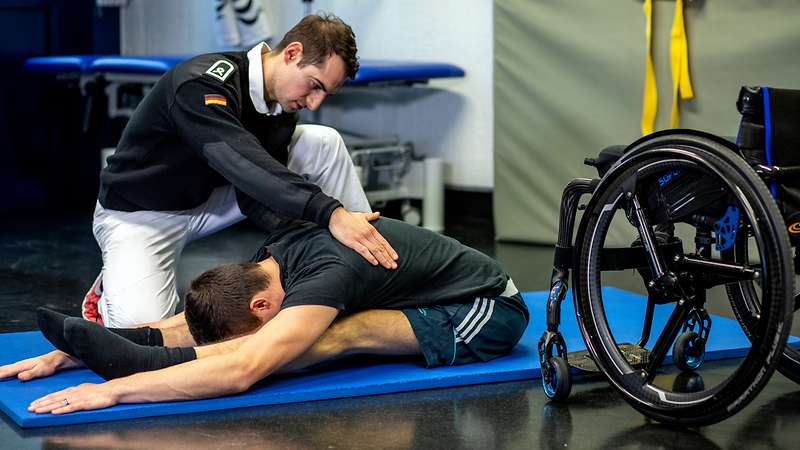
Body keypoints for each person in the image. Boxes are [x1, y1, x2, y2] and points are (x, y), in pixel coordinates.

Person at [2, 217, 529, 414]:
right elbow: (206, 319)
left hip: (486, 307)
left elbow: (244, 368)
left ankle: (143, 360)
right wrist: (86, 348)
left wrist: (122, 385)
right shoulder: (271, 260)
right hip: (415, 292)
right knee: (286, 329)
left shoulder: (323, 279)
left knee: (343, 332)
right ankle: (134, 349)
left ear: (263, 304)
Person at [84, 13, 398, 328]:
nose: (314, 103)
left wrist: (305, 241)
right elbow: (241, 163)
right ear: (292, 53)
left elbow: (255, 195)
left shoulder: (281, 106)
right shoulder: (200, 83)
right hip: (141, 215)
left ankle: (366, 257)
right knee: (141, 332)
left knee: (322, 142)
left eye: (324, 94)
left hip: (214, 198)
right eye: (314, 86)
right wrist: (330, 214)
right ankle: (111, 287)